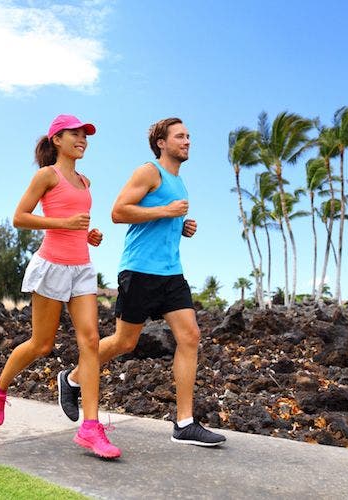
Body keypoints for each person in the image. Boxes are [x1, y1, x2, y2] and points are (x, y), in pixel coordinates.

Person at [58, 117, 226, 447]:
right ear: (161, 143)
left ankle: (184, 423)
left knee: (190, 336)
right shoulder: (149, 172)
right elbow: (119, 212)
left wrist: (181, 226)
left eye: (189, 136)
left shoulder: (179, 182)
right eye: (180, 136)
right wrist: (166, 212)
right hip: (139, 271)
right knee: (125, 342)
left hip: (171, 272)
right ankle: (73, 378)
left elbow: (162, 220)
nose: (187, 141)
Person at [0, 114, 121, 459]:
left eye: (85, 135)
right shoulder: (47, 175)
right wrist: (66, 223)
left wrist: (88, 234)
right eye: (75, 134)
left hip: (82, 268)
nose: (82, 140)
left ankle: (90, 427)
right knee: (42, 344)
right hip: (52, 266)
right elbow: (19, 217)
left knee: (91, 341)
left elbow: (75, 224)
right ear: (57, 140)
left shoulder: (86, 181)